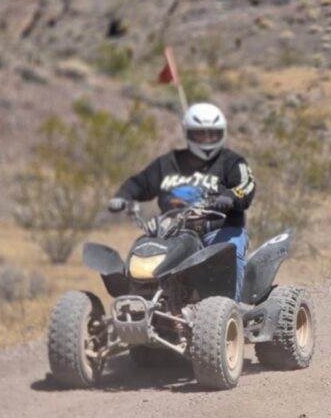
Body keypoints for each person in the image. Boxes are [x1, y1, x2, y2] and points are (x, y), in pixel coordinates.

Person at [107, 102, 256, 299]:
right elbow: (140, 182)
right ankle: (138, 302)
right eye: (199, 134)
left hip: (219, 232)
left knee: (231, 249)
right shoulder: (168, 163)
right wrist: (123, 197)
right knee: (144, 248)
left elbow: (247, 185)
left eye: (212, 134)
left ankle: (232, 310)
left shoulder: (231, 162)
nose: (206, 139)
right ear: (188, 133)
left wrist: (230, 197)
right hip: (172, 231)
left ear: (222, 133)